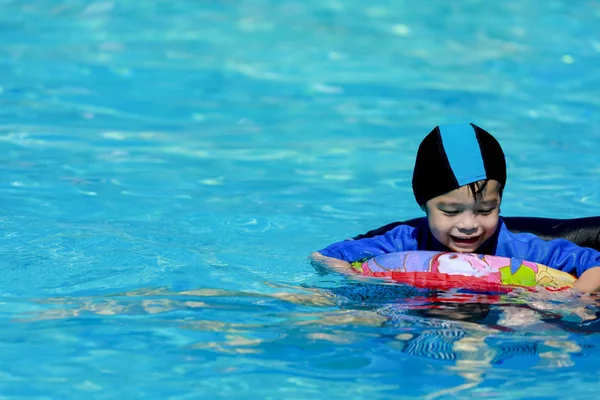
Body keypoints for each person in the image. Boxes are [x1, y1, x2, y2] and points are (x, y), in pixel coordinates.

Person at [311, 123, 600, 293]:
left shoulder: (521, 249)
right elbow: (325, 256)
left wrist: (571, 298)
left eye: (486, 210)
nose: (469, 224)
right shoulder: (404, 241)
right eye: (450, 212)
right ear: (422, 203)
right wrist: (358, 280)